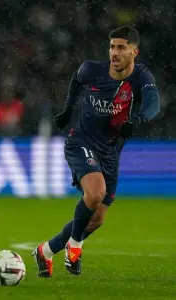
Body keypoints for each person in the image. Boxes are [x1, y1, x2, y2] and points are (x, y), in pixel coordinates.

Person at [33, 26, 160, 277]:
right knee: (95, 193)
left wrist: (138, 120)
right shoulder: (92, 69)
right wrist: (68, 109)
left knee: (97, 219)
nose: (115, 52)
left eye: (122, 47)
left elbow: (154, 102)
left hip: (110, 152)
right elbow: (76, 81)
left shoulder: (141, 77)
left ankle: (45, 251)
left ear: (135, 51)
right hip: (81, 142)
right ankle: (75, 246)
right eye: (112, 46)